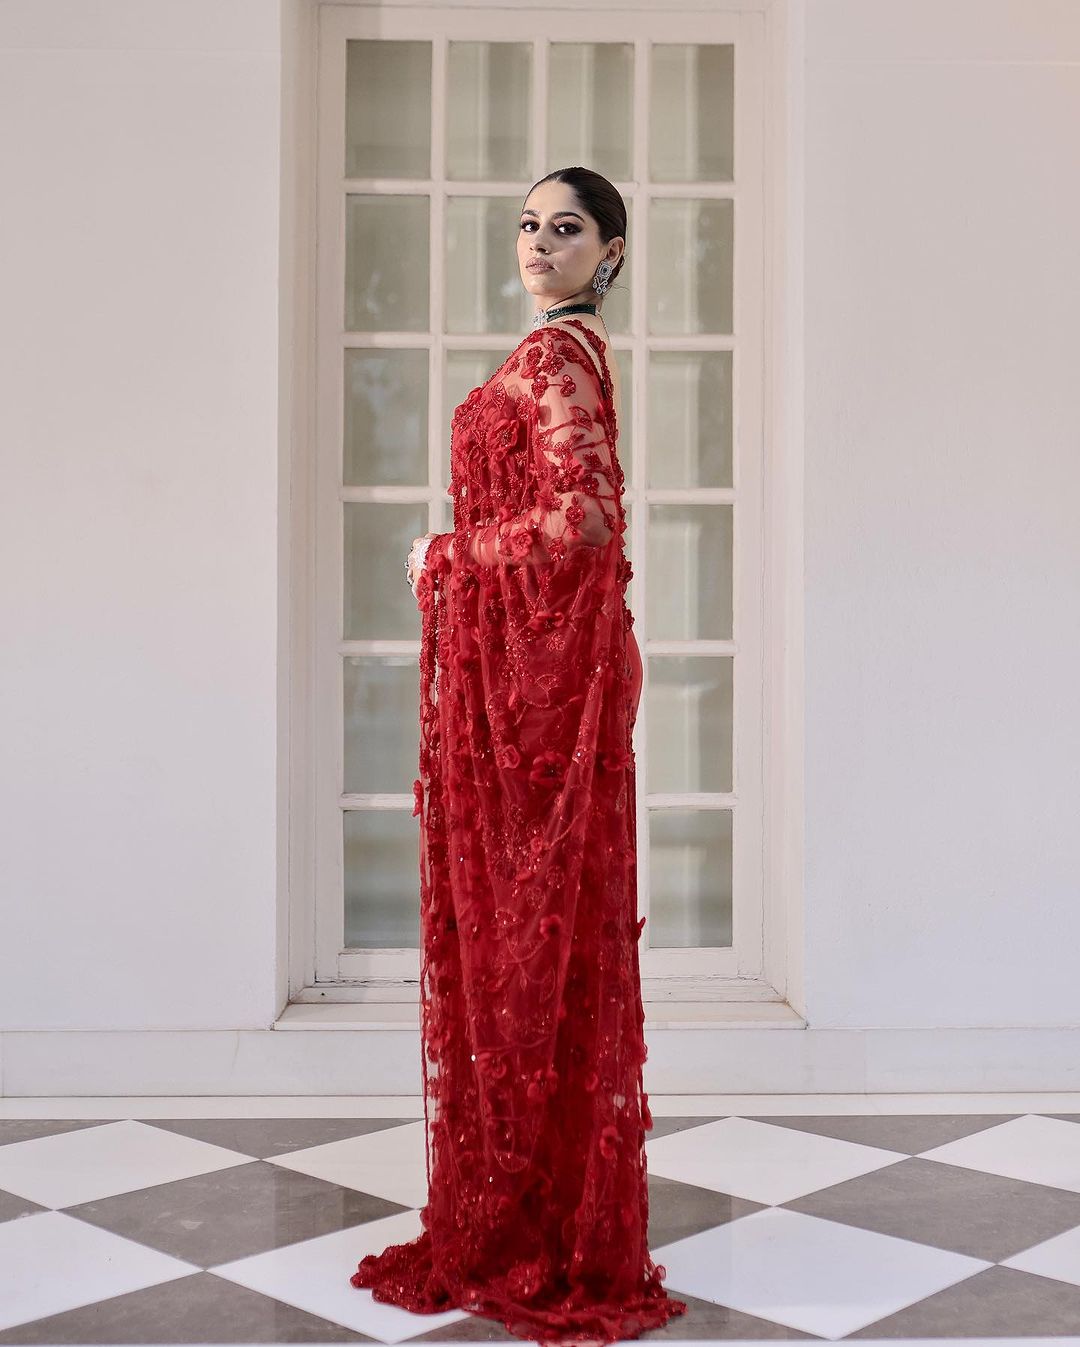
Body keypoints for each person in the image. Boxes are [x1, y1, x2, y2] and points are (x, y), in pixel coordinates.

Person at [350, 167, 688, 1346]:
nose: (540, 243)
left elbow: (584, 518)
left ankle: (530, 1224)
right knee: (521, 947)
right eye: (530, 226)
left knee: (523, 942)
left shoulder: (557, 361)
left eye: (568, 228)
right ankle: (525, 1208)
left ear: (613, 253)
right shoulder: (562, 355)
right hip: (517, 689)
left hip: (534, 708)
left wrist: (447, 553)